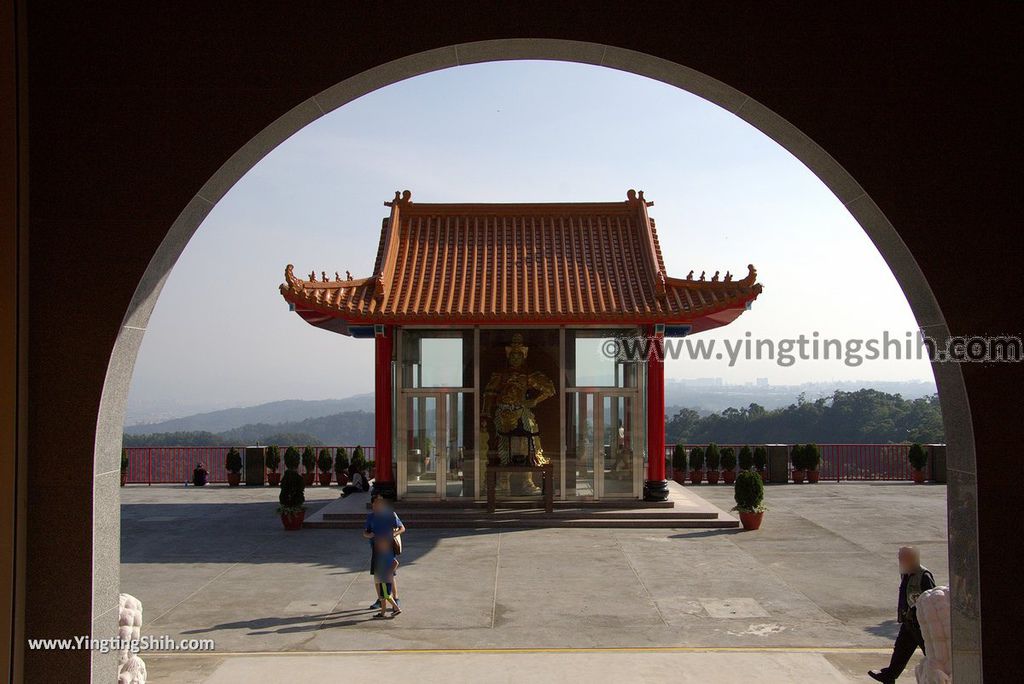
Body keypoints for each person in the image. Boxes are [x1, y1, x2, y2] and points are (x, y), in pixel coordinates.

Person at [869, 546, 935, 683]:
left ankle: (938, 674)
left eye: (902, 558)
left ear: (912, 559)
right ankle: (889, 676)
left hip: (921, 624)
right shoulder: (906, 573)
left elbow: (932, 599)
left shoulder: (924, 576)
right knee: (901, 649)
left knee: (931, 652)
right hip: (909, 621)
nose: (900, 561)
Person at [363, 494, 405, 610]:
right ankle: (381, 599)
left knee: (389, 574)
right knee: (377, 576)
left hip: (388, 548)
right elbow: (365, 532)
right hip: (376, 549)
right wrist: (369, 535)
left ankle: (395, 598)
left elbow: (402, 528)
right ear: (373, 504)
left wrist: (393, 534)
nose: (379, 504)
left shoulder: (390, 515)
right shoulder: (370, 517)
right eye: (377, 502)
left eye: (381, 502)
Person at [371, 536, 401, 619]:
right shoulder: (380, 554)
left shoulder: (387, 554)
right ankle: (382, 612)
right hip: (381, 578)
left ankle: (397, 608)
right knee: (383, 596)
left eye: (381, 544)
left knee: (386, 595)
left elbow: (396, 562)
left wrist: (389, 573)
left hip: (385, 579)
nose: (379, 545)